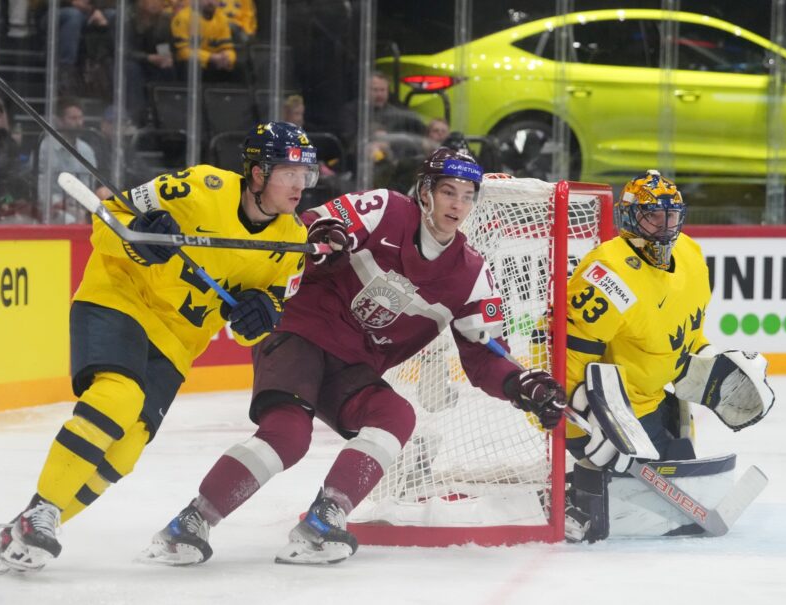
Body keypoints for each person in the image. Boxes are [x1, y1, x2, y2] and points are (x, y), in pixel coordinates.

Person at [141, 147, 568, 566]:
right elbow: (306, 228)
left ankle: (325, 518)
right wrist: (323, 236)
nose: (458, 205)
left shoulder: (472, 274)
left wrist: (519, 384)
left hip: (353, 368)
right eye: (448, 192)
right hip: (300, 331)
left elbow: (485, 356)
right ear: (425, 192)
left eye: (467, 195)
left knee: (395, 415)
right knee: (288, 434)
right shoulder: (385, 208)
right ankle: (192, 521)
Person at [0, 121, 319, 575]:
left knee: (128, 446)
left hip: (177, 341)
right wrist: (137, 239)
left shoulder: (292, 241)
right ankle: (42, 510)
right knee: (118, 397)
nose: (299, 186)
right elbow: (107, 218)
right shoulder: (201, 187)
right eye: (289, 173)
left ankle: (28, 526)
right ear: (258, 173)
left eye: (305, 175)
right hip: (120, 296)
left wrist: (258, 317)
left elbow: (254, 328)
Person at [562, 170, 774, 542]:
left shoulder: (690, 255)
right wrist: (582, 427)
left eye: (670, 216)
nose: (664, 227)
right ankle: (571, 489)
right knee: (654, 506)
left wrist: (708, 363)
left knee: (681, 463)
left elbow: (686, 333)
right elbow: (566, 357)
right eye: (652, 216)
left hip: (657, 401)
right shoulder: (608, 275)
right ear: (630, 219)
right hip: (614, 415)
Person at [34, 97, 104, 223]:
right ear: (60, 121)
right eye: (73, 118)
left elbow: (90, 185)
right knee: (69, 220)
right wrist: (55, 204)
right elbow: (41, 185)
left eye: (80, 118)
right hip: (53, 206)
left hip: (80, 205)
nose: (79, 122)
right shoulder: (45, 147)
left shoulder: (86, 150)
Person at [171, 0, 237, 82]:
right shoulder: (183, 17)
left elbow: (228, 48)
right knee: (191, 65)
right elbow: (183, 52)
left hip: (215, 62)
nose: (210, 2)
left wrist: (228, 58)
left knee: (237, 67)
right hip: (190, 64)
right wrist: (210, 57)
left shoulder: (221, 18)